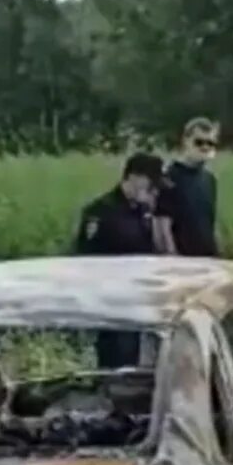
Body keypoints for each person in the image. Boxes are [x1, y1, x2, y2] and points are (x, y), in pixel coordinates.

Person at [74, 152, 168, 367]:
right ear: (133, 178)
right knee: (115, 358)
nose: (154, 191)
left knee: (133, 359)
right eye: (150, 184)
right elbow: (85, 259)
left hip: (136, 299)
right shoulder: (101, 211)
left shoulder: (143, 211)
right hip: (110, 300)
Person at [160, 118, 221, 257]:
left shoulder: (209, 179)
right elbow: (162, 223)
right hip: (180, 259)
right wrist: (171, 254)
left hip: (207, 258)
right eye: (199, 142)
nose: (205, 147)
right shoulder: (169, 176)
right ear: (186, 141)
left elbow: (209, 221)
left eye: (210, 143)